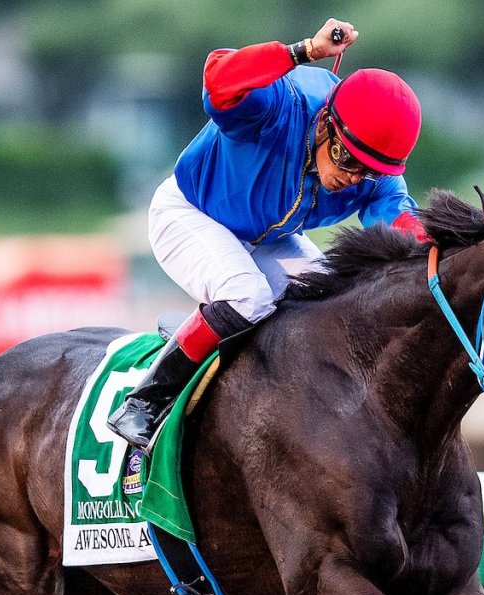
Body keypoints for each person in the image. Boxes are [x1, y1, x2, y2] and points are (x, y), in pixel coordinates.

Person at [108, 18, 426, 451]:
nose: (353, 178)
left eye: (368, 171)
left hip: (267, 237)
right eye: (346, 159)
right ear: (324, 124)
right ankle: (147, 400)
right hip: (190, 213)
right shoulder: (277, 106)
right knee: (247, 296)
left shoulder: (372, 173)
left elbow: (408, 229)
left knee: (329, 303)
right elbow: (218, 78)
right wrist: (302, 51)